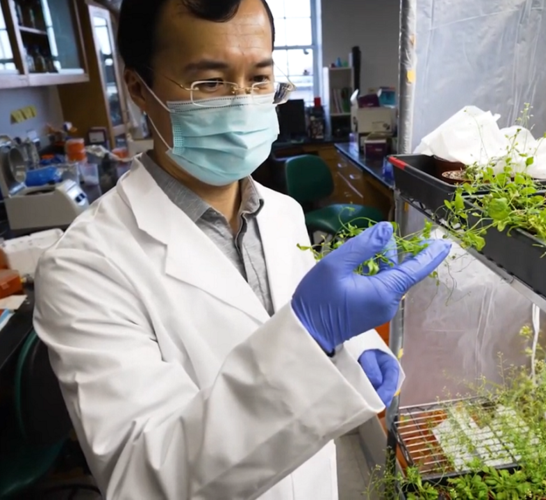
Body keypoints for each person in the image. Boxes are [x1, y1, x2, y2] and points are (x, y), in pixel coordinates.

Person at [32, 0, 451, 498]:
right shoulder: (83, 268)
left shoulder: (282, 212)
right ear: (139, 89)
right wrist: (312, 337)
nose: (243, 101)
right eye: (209, 83)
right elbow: (144, 477)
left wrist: (354, 346)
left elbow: (289, 328)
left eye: (259, 79)